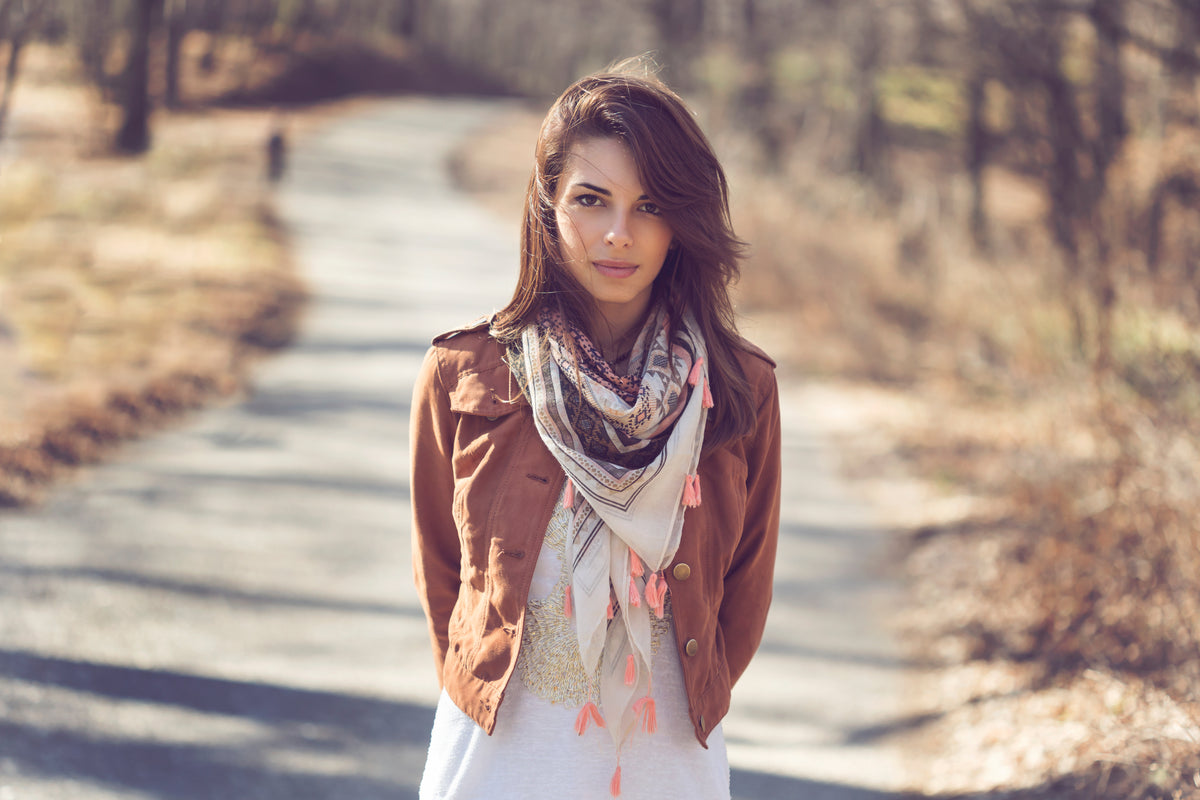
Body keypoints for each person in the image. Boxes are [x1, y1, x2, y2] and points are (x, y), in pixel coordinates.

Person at [410, 64, 782, 799]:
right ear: (547, 205)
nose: (618, 234)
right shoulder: (466, 373)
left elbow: (745, 591)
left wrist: (671, 711)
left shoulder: (740, 388)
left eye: (650, 205)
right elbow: (443, 576)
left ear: (683, 221)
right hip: (500, 759)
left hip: (666, 760)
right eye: (591, 199)